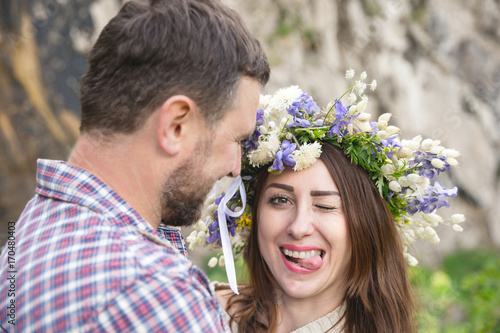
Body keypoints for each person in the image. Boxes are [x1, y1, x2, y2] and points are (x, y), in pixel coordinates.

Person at [0, 0, 269, 331]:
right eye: (236, 140)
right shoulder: (154, 292)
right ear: (176, 126)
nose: (234, 167)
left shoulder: (34, 228)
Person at [187, 77, 464, 332]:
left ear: (366, 225)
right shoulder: (199, 312)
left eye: (326, 205)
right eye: (280, 200)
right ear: (254, 213)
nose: (299, 227)